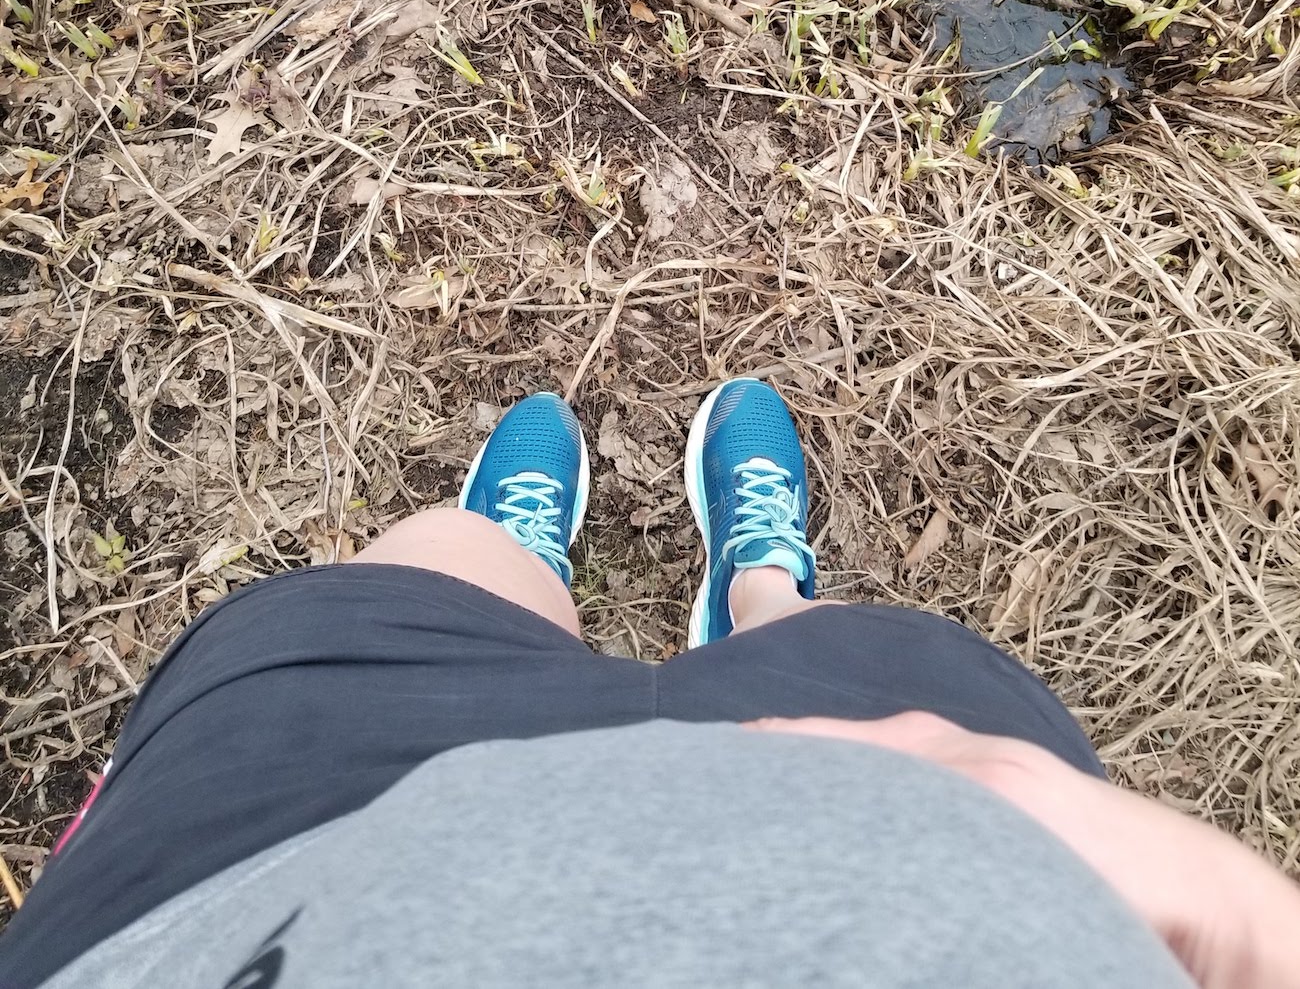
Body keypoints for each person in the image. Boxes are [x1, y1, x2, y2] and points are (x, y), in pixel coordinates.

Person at [2, 378, 1298, 987]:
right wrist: (1254, 920)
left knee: (435, 566)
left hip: (258, 861)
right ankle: (759, 592)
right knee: (853, 641)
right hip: (917, 820)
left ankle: (516, 562)